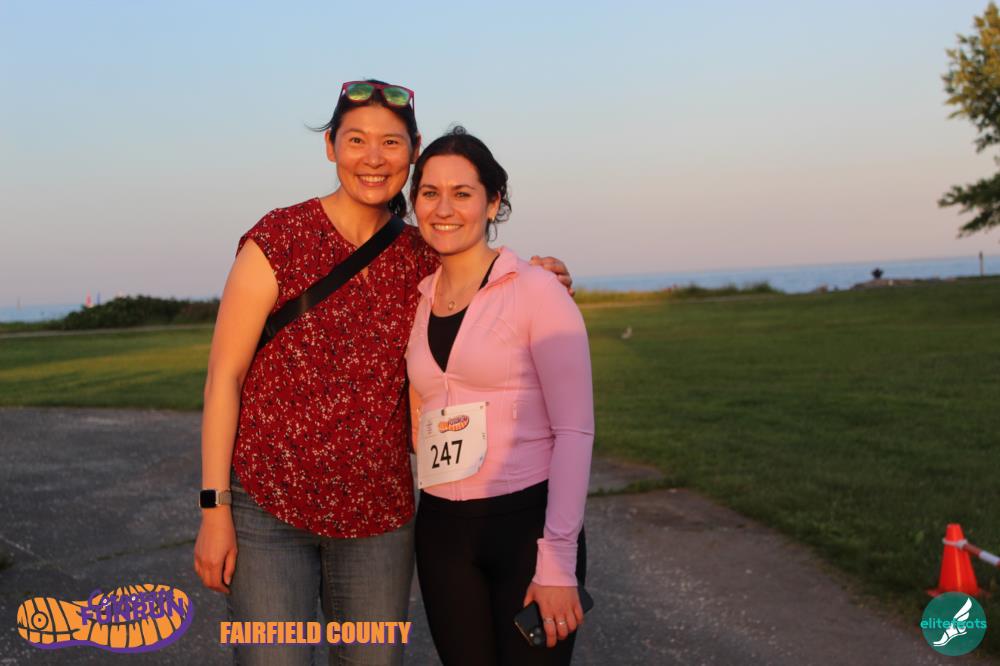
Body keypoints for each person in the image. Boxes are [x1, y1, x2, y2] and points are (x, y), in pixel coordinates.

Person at [192, 81, 572, 666]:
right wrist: (214, 509)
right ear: (330, 146)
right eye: (356, 140)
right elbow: (225, 377)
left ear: (414, 151)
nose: (374, 158)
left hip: (378, 520)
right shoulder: (279, 239)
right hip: (269, 509)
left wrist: (543, 275)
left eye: (391, 142)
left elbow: (489, 282)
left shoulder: (423, 256)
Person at [406, 127, 593, 666]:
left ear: (494, 203)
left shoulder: (536, 290)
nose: (444, 208)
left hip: (525, 527)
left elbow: (575, 431)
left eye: (462, 193)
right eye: (430, 192)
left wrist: (557, 561)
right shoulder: (419, 299)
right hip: (442, 532)